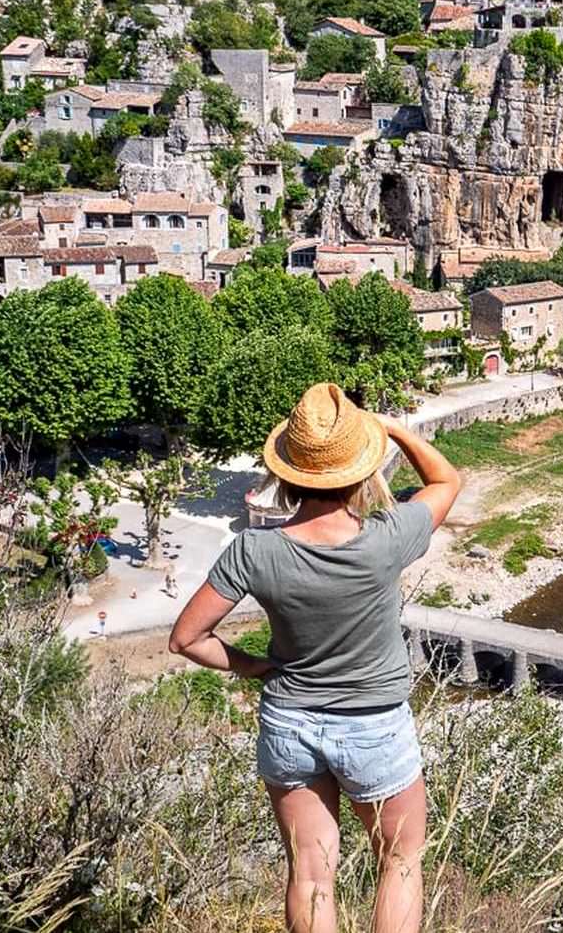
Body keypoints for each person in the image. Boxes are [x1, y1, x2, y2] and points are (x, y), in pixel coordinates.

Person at [169, 383, 461, 933]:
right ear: (359, 469)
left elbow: (186, 639)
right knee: (398, 865)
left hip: (290, 724)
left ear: (288, 473)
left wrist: (252, 665)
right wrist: (392, 429)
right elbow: (446, 480)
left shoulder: (254, 550)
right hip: (374, 725)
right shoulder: (386, 537)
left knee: (309, 873)